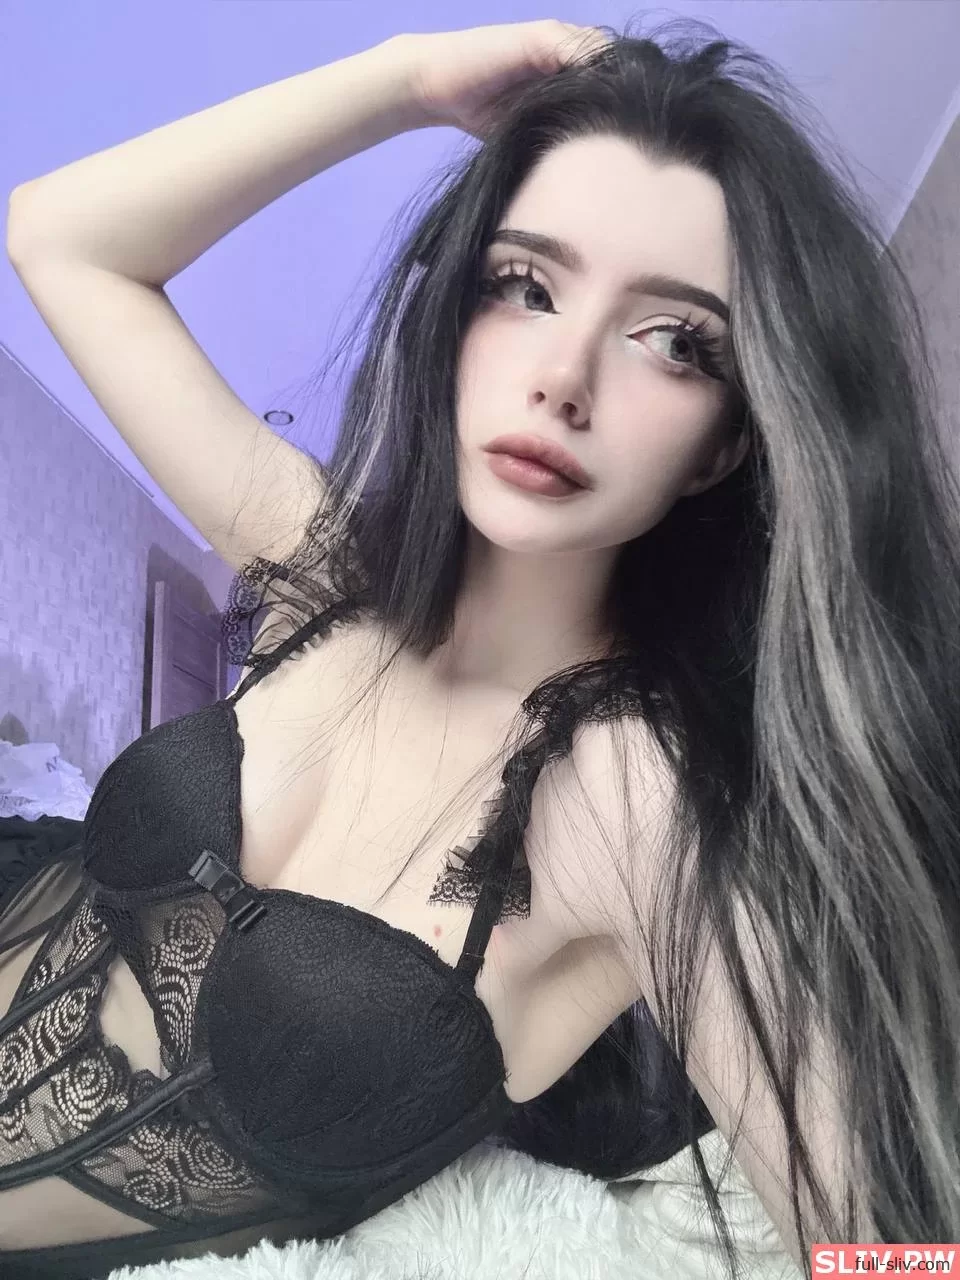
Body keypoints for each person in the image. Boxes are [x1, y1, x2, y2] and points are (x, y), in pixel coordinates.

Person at [3, 13, 959, 1279]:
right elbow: (62, 239)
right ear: (456, 315)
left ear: (728, 440)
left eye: (677, 342)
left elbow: (894, 1247)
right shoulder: (323, 569)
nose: (564, 376)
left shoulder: (646, 807)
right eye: (525, 284)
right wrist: (408, 80)